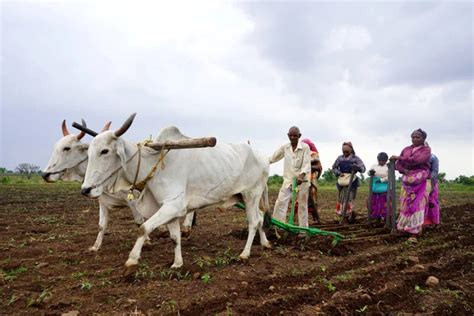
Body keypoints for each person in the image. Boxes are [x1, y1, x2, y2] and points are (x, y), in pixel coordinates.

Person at [391, 129, 431, 242]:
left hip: (420, 182)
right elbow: (398, 165)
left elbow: (417, 160)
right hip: (407, 181)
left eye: (417, 137)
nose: (414, 139)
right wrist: (404, 170)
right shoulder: (406, 149)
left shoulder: (426, 150)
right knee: (405, 205)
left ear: (423, 139)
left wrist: (400, 158)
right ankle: (404, 228)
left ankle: (414, 233)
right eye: (413, 137)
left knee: (418, 205)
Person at [269, 126, 311, 229]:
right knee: (281, 202)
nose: (292, 138)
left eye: (295, 136)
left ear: (299, 136)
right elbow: (273, 158)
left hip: (302, 182)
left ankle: (303, 229)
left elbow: (306, 164)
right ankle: (278, 227)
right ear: (288, 135)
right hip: (289, 181)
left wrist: (301, 176)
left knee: (302, 205)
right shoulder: (285, 147)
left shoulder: (305, 148)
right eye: (290, 135)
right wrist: (261, 162)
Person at [332, 142, 366, 223]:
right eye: (344, 152)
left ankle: (347, 216)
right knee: (341, 199)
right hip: (342, 180)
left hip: (352, 181)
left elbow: (363, 168)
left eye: (347, 152)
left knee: (349, 198)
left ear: (351, 149)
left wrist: (356, 167)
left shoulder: (355, 158)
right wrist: (339, 173)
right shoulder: (340, 158)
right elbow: (334, 167)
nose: (345, 153)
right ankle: (342, 215)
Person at [301, 138, 322, 224]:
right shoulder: (301, 154)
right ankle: (302, 219)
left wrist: (309, 168)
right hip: (302, 179)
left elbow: (318, 167)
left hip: (311, 179)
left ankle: (316, 218)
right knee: (301, 200)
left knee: (312, 199)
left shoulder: (314, 154)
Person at [368, 152, 389, 221]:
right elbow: (369, 173)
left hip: (384, 186)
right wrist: (370, 172)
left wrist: (381, 180)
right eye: (380, 160)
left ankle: (383, 216)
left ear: (386, 160)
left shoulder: (388, 167)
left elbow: (390, 177)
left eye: (383, 161)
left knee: (383, 203)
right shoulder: (374, 166)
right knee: (373, 202)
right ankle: (374, 215)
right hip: (374, 185)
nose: (381, 162)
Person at [425, 153, 440, 226]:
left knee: (431, 203)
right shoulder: (415, 157)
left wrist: (432, 185)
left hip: (429, 182)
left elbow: (434, 171)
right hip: (418, 183)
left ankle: (432, 222)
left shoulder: (432, 157)